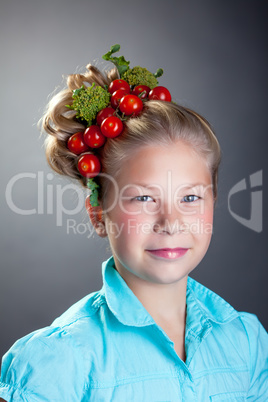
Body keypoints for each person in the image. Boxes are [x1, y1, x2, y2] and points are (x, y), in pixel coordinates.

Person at [0, 45, 267, 401]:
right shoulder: (57, 365)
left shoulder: (247, 342)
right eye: (143, 198)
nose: (170, 222)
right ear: (98, 214)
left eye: (190, 198)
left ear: (214, 203)